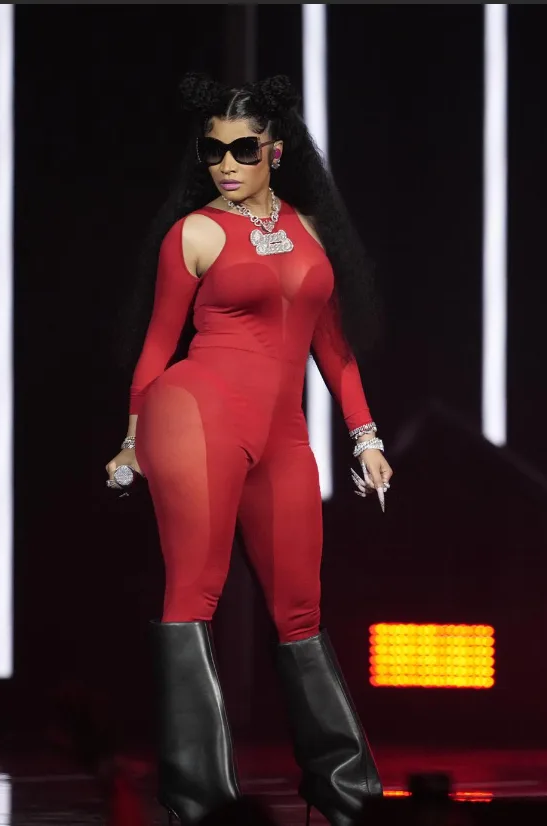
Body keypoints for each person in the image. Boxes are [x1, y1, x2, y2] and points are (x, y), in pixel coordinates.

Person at [104, 74, 391, 826]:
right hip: (194, 414)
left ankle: (346, 794)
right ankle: (199, 801)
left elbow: (333, 346)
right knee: (192, 591)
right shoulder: (195, 233)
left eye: (243, 149)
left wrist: (364, 436)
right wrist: (131, 440)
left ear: (276, 151)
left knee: (300, 606)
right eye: (212, 151)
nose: (226, 164)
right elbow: (158, 345)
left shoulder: (310, 228)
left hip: (283, 433)